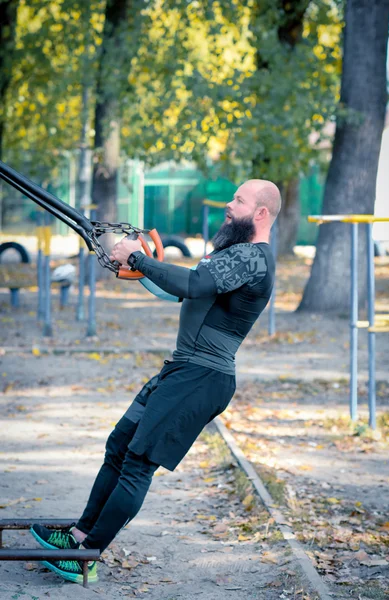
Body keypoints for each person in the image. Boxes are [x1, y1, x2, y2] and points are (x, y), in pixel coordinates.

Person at [30, 179, 281, 584]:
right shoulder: (233, 255)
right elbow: (180, 290)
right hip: (182, 370)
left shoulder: (255, 258)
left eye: (239, 200)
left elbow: (194, 284)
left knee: (137, 464)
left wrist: (139, 258)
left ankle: (87, 557)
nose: (229, 206)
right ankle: (77, 537)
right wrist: (138, 265)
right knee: (120, 444)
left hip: (203, 377)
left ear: (262, 213)